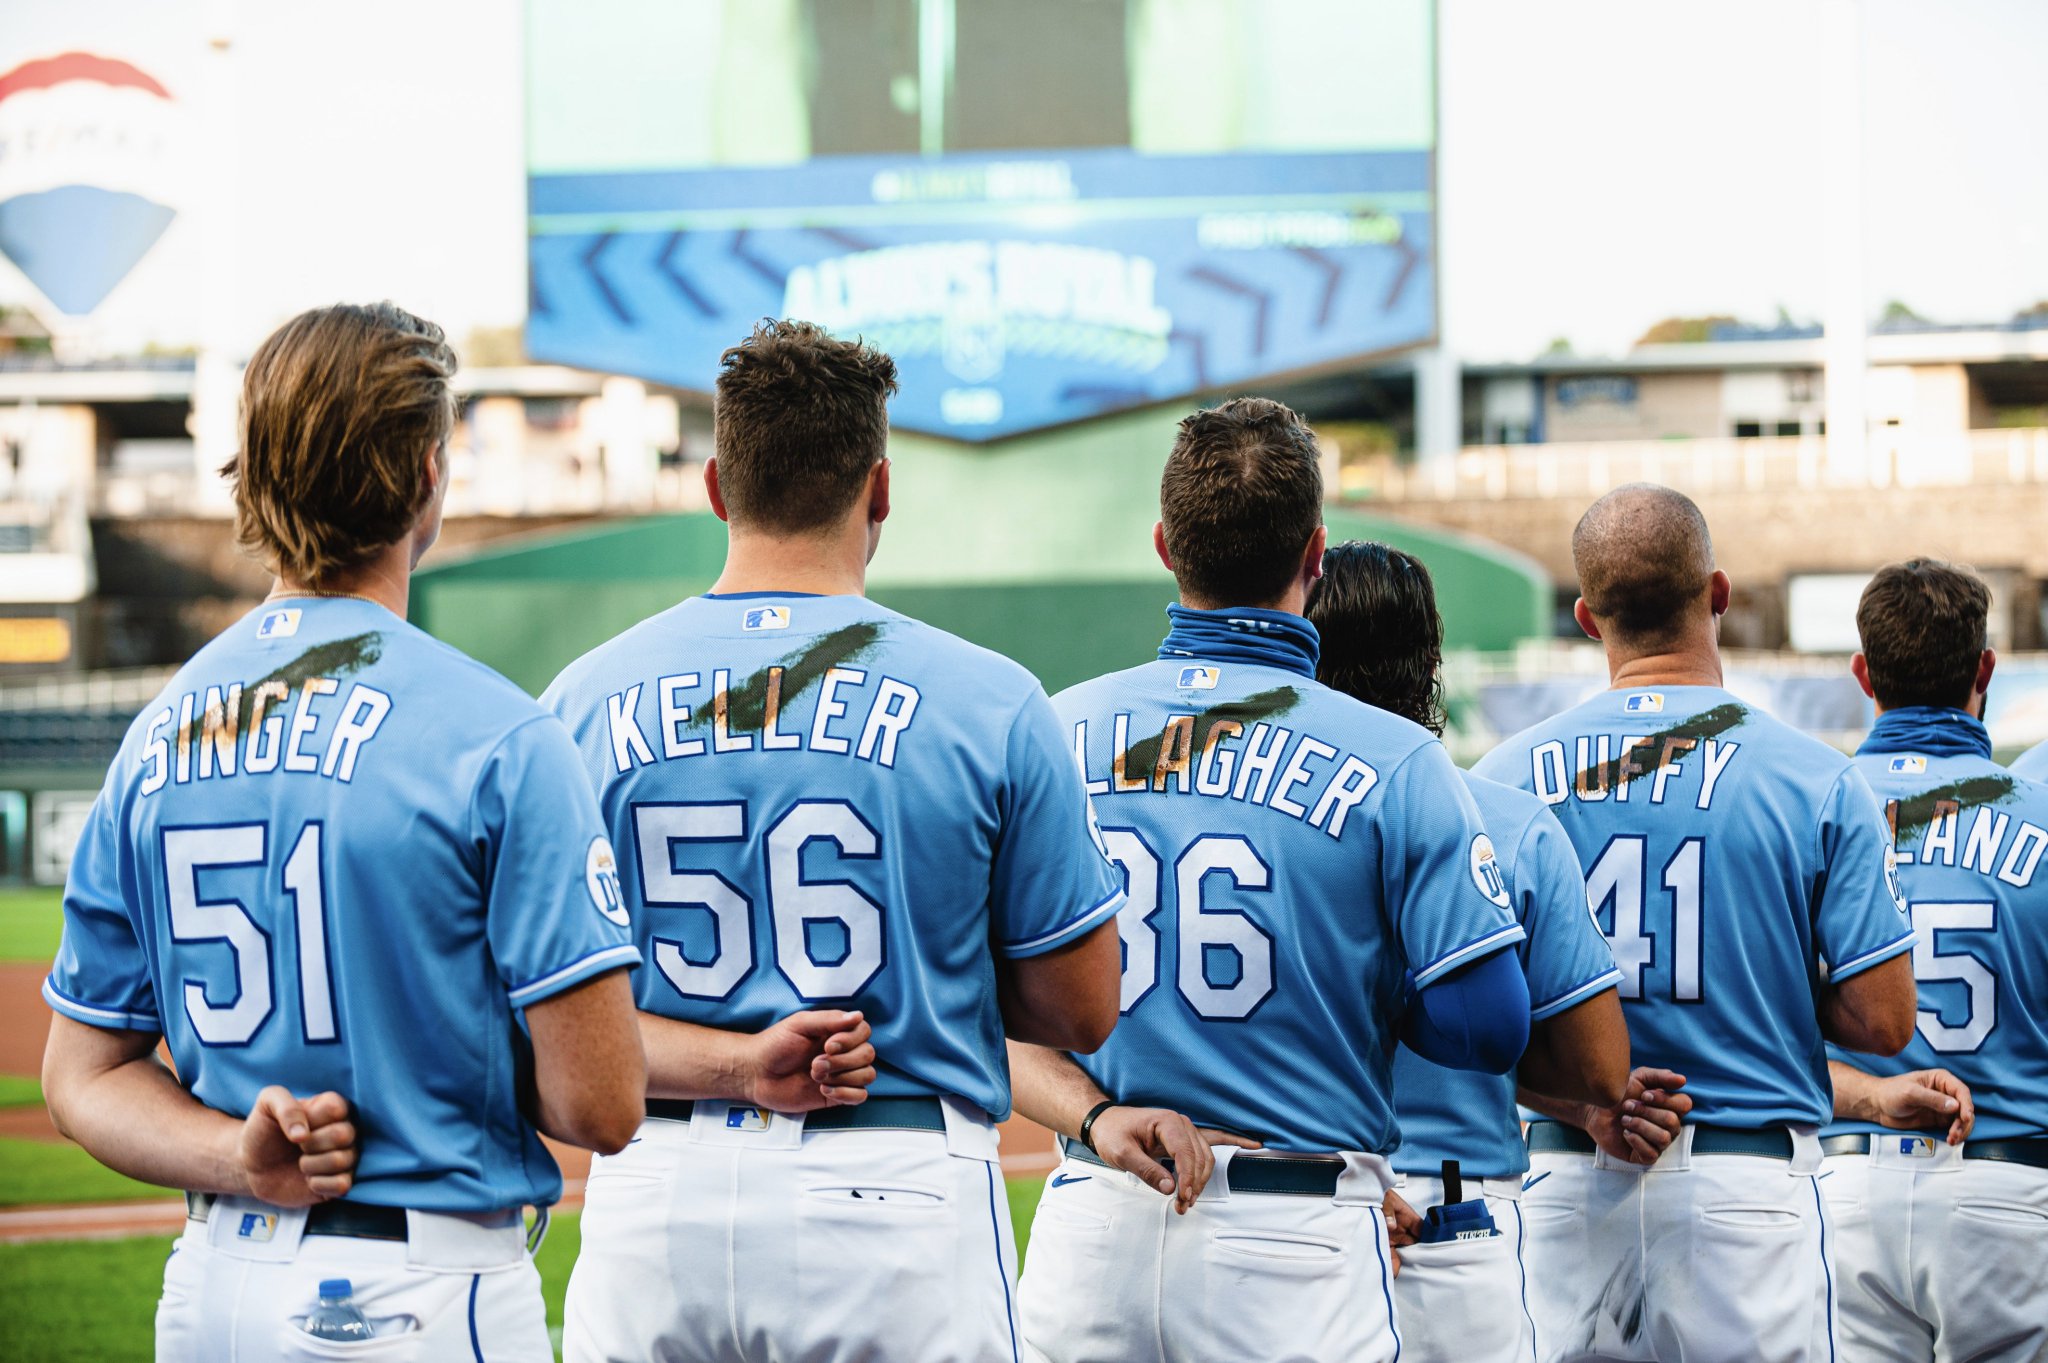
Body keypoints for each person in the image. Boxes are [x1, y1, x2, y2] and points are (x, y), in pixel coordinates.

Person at [40, 302, 646, 1361]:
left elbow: (81, 1076)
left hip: (213, 1292)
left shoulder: (156, 735)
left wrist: (242, 1152)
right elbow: (599, 1104)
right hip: (420, 1290)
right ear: (425, 471)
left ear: (255, 469)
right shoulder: (497, 732)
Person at [542, 319, 1124, 1363]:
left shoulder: (579, 701)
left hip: (654, 1195)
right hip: (892, 1185)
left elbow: (547, 1015)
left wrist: (735, 1063)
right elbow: (1078, 1009)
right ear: (880, 488)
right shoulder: (988, 697)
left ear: (717, 486)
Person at [1011, 398, 1533, 1363]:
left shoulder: (1054, 725)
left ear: (1167, 546)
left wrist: (1093, 1114)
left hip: (1097, 1214)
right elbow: (1489, 1024)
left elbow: (987, 1006)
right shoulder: (1397, 755)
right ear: (1316, 553)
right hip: (1296, 1238)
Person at [1474, 483, 1918, 1363]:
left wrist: (1587, 1098)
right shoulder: (1814, 776)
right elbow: (1885, 1021)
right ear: (1717, 593)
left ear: (1586, 616)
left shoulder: (1502, 774)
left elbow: (1476, 1014)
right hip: (1742, 1190)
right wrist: (1763, 974)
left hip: (1565, 1173)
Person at [1304, 539, 1634, 1363]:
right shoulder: (1510, 820)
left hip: (1296, 1205)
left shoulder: (1260, 817)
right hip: (1459, 1222)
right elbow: (1601, 1070)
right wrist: (1568, 1099)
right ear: (1429, 659)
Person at [1822, 558, 2047, 1362]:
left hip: (1840, 1185)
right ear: (1986, 666)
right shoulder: (2042, 808)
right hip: (2010, 1185)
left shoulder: (1808, 801)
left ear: (1862, 674)